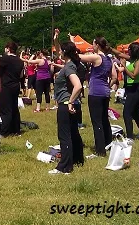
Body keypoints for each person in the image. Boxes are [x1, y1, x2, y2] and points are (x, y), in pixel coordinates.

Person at [72, 33, 115, 158]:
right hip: (105, 92)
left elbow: (76, 57)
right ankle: (108, 144)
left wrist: (72, 43)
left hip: (96, 92)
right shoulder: (109, 59)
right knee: (104, 120)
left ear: (97, 45)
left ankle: (100, 150)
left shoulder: (96, 57)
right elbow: (114, 77)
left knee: (97, 122)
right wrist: (107, 85)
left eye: (93, 43)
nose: (92, 45)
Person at [49, 30, 84, 174]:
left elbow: (78, 86)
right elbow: (58, 49)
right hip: (72, 104)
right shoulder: (70, 63)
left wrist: (69, 101)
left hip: (66, 104)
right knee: (73, 133)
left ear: (65, 53)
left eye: (61, 51)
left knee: (64, 136)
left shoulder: (69, 67)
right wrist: (56, 39)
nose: (59, 53)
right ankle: (77, 159)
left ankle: (64, 167)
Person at [111, 42, 139, 139]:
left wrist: (124, 66)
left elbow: (133, 76)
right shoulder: (131, 59)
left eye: (130, 49)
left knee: (127, 113)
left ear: (134, 50)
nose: (128, 51)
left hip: (136, 89)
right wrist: (109, 47)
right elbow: (119, 54)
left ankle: (129, 138)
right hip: (130, 89)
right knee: (136, 114)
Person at [0, 42, 24, 137]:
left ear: (8, 49)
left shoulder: (5, 59)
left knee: (5, 109)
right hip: (16, 85)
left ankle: (4, 132)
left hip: (6, 86)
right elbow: (21, 75)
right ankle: (16, 130)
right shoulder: (20, 61)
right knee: (14, 108)